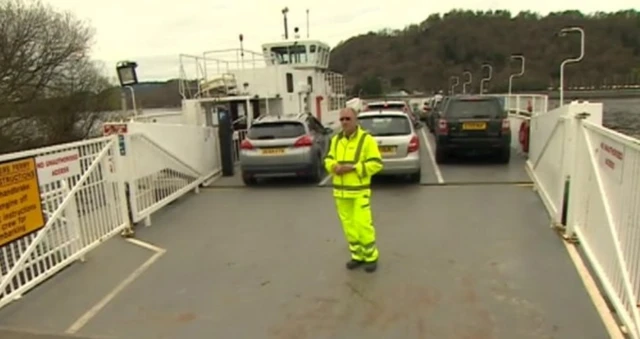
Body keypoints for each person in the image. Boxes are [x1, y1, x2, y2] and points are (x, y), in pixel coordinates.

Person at [324, 107, 383, 273]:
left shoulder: (367, 140)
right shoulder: (336, 140)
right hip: (341, 193)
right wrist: (333, 166)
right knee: (349, 226)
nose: (344, 122)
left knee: (363, 224)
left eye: (347, 119)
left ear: (355, 120)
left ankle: (371, 257)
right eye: (342, 119)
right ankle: (357, 256)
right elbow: (328, 159)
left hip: (359, 192)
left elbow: (376, 164)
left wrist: (354, 168)